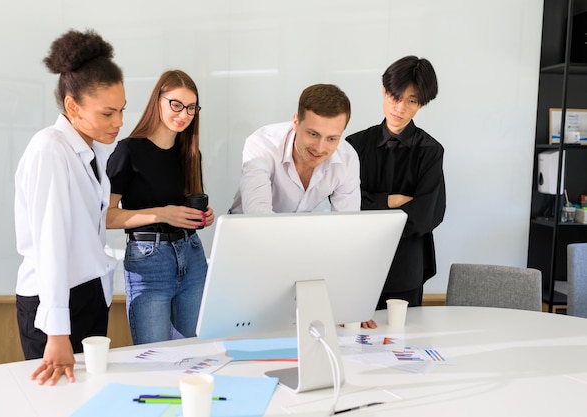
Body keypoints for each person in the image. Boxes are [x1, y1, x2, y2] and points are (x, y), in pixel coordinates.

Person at [14, 29, 125, 385]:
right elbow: (51, 245)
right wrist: (57, 333)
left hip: (88, 292)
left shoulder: (90, 149)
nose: (118, 122)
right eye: (108, 113)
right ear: (72, 106)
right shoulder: (49, 150)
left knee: (89, 396)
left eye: (121, 110)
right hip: (54, 304)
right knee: (58, 401)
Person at [106, 70, 215, 345]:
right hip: (149, 260)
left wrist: (202, 216)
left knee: (194, 351)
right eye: (175, 104)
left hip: (191, 254)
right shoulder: (128, 151)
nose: (184, 114)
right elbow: (106, 216)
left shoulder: (190, 152)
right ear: (158, 101)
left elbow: (186, 205)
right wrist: (162, 214)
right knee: (152, 355)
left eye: (191, 108)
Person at [345, 56, 446, 328]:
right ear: (383, 91)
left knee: (404, 341)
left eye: (411, 100)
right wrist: (391, 201)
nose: (399, 107)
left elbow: (427, 215)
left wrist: (372, 207)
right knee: (354, 341)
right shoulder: (354, 145)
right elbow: (344, 205)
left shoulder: (430, 151)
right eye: (394, 96)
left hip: (407, 266)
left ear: (422, 103)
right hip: (360, 262)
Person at [229, 84, 360, 214]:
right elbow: (258, 215)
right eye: (313, 134)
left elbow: (346, 221)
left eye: (332, 139)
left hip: (298, 232)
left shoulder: (347, 158)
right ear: (296, 122)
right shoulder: (262, 145)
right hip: (246, 231)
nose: (320, 149)